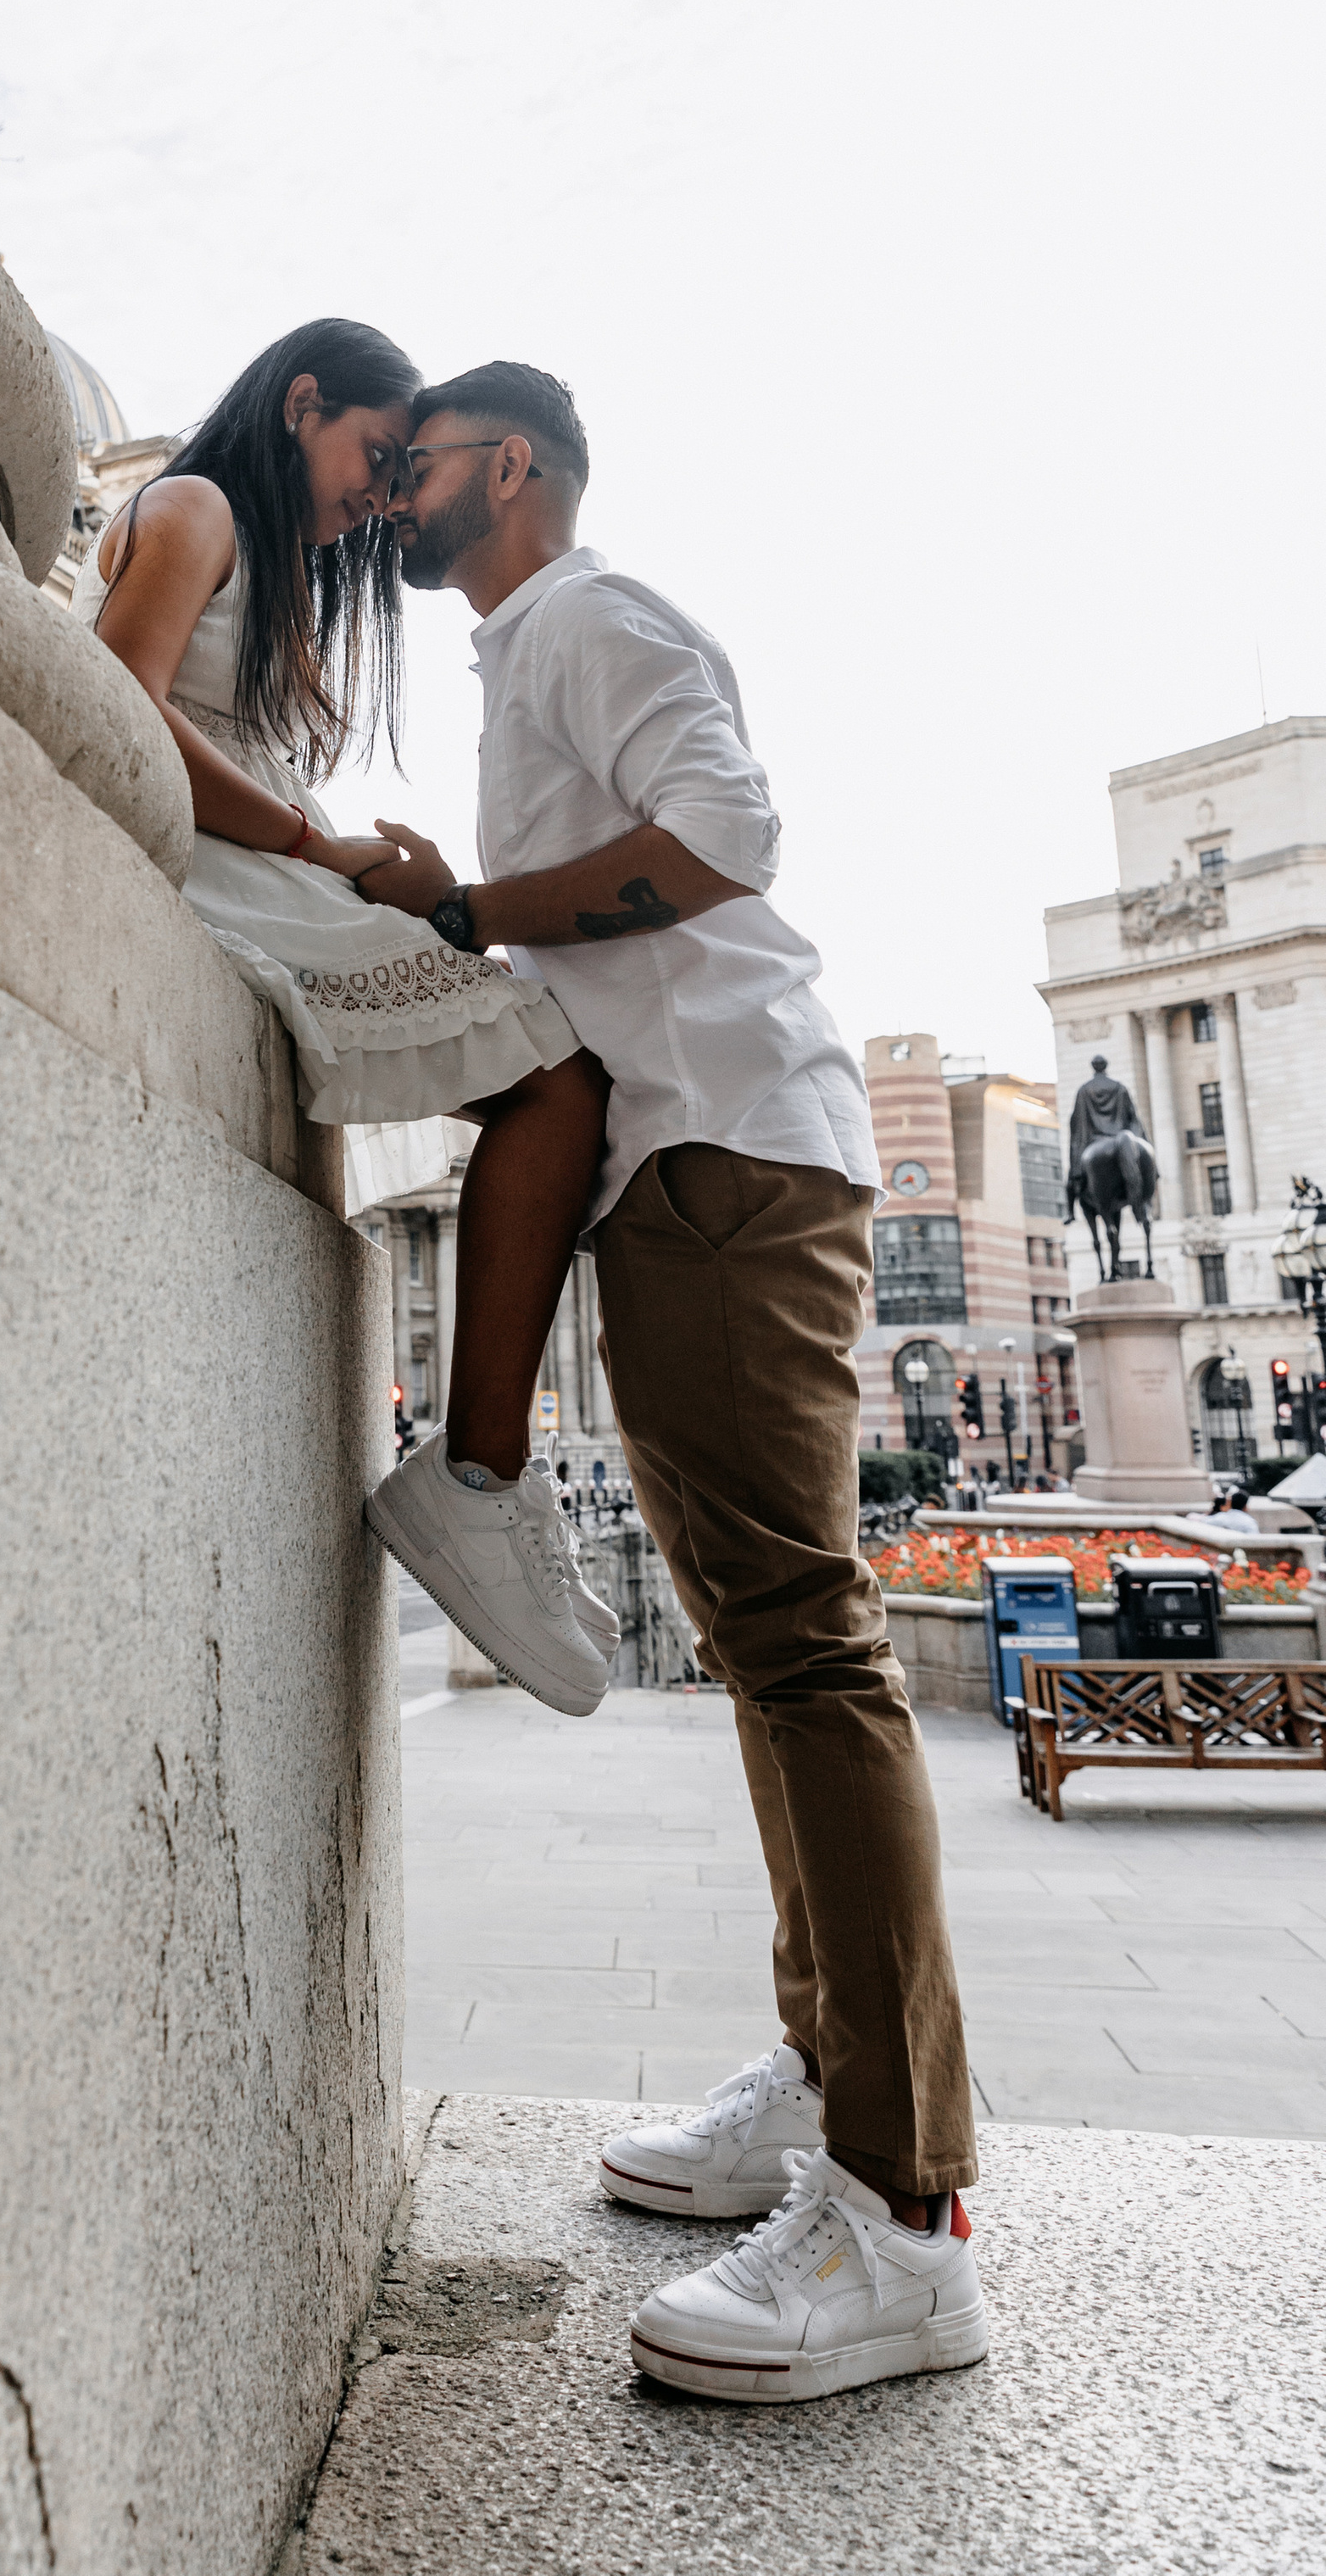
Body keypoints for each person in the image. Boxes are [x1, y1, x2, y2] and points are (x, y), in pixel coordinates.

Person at [358, 360, 986, 2406]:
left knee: (804, 1644)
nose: (391, 491)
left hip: (728, 1145)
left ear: (510, 467)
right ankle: (824, 2086)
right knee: (758, 1637)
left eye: (418, 463)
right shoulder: (524, 647)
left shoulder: (586, 614)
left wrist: (461, 904)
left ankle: (900, 2217)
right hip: (687, 1156)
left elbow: (722, 835)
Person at [78, 320, 616, 1715]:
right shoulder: (191, 505)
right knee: (553, 1079)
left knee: (555, 1071)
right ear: (299, 402)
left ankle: (482, 1475)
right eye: (375, 457)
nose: (379, 497)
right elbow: (116, 701)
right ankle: (476, 1477)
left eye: (397, 474)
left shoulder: (290, 576)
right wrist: (319, 853)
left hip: (267, 870)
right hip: (223, 872)